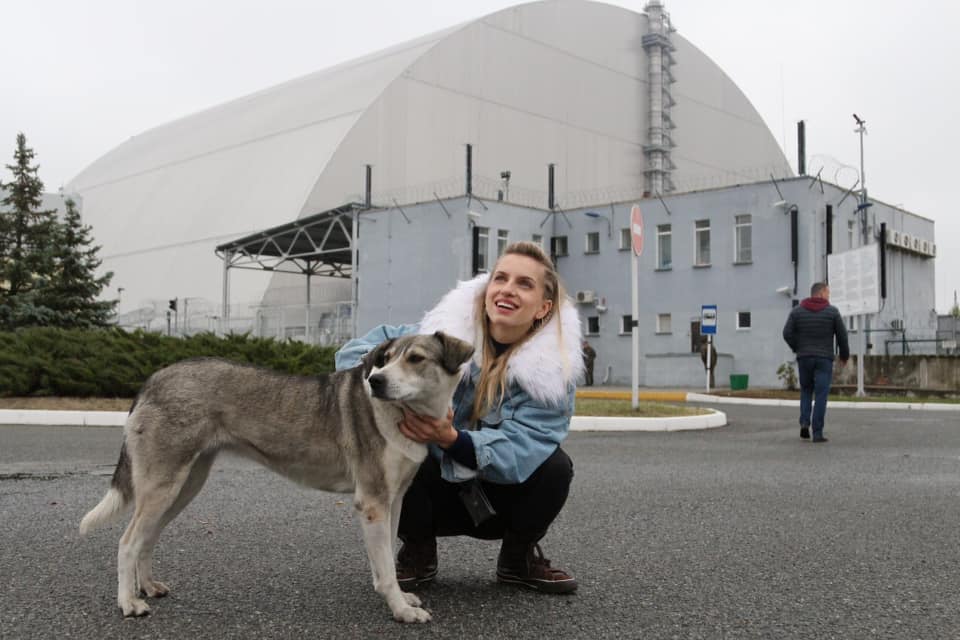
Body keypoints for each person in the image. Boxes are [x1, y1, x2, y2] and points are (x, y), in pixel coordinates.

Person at [335, 241, 583, 594]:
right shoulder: (437, 336)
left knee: (556, 467)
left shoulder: (552, 374)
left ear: (544, 307)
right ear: (487, 290)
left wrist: (452, 438)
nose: (508, 289)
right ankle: (418, 549)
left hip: (497, 500)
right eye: (501, 278)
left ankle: (517, 557)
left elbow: (525, 446)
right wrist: (402, 389)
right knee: (394, 446)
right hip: (429, 492)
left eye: (524, 284)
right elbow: (351, 355)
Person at [782, 282, 850, 443]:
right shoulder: (832, 312)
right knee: (821, 394)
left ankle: (805, 423)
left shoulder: (797, 311)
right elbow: (842, 336)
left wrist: (797, 348)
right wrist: (844, 356)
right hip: (824, 359)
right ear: (820, 293)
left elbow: (786, 333)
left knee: (806, 390)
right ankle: (817, 433)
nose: (829, 296)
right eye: (827, 293)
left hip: (804, 358)